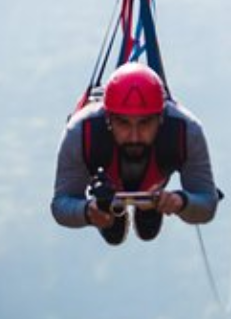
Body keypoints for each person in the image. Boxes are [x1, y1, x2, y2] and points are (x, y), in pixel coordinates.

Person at [52, 62, 218, 245]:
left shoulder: (186, 132)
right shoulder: (81, 132)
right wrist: (89, 211)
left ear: (161, 118)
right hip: (113, 187)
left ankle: (149, 206)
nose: (134, 136)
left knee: (147, 230)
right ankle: (116, 210)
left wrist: (179, 202)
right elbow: (60, 205)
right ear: (108, 119)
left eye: (145, 123)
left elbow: (207, 203)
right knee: (113, 231)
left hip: (153, 180)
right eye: (123, 123)